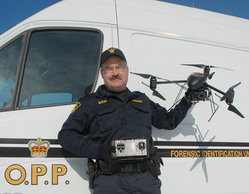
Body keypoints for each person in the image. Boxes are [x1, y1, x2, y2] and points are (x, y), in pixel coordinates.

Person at [58, 47, 193, 194]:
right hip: (109, 182)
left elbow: (168, 121)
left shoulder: (142, 99)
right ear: (102, 73)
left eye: (119, 67)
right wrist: (97, 149)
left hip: (145, 180)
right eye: (109, 69)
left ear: (126, 70)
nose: (115, 73)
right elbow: (65, 135)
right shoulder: (89, 103)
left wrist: (188, 99)